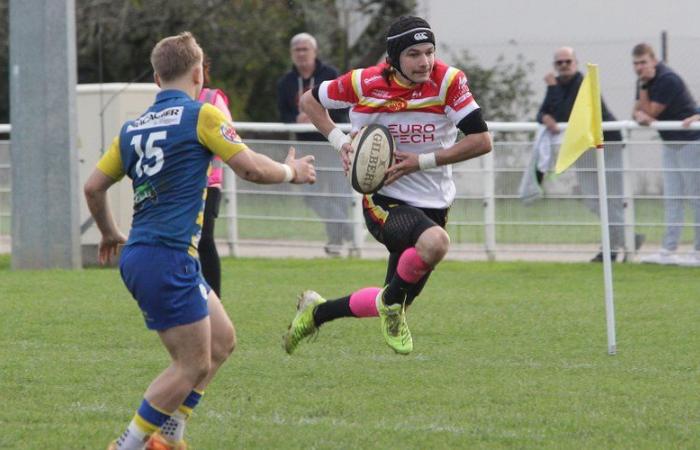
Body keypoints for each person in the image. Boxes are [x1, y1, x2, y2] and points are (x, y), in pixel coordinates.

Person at [84, 32, 315, 450]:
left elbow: (93, 188)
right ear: (198, 73)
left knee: (223, 341)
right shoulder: (202, 114)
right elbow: (250, 169)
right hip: (166, 258)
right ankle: (128, 445)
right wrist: (290, 173)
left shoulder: (131, 130)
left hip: (150, 254)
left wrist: (108, 232)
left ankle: (170, 435)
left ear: (157, 78)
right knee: (190, 364)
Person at [282, 16, 492, 355]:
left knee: (392, 299)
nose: (424, 62)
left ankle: (316, 313)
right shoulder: (363, 82)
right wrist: (341, 143)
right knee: (436, 244)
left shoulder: (448, 82)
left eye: (429, 52)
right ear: (394, 58)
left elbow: (482, 141)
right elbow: (309, 101)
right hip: (382, 198)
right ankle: (387, 309)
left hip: (434, 202)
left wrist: (420, 162)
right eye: (413, 54)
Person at [536, 46, 643, 262]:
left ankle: (611, 250)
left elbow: (566, 112)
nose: (564, 66)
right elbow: (544, 112)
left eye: (568, 61)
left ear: (575, 63)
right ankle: (628, 238)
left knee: (610, 200)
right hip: (583, 147)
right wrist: (544, 118)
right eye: (559, 63)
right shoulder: (556, 86)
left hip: (607, 144)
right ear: (555, 66)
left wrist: (552, 92)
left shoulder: (581, 83)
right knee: (592, 199)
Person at [277, 32, 352, 256]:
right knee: (312, 195)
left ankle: (336, 241)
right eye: (297, 50)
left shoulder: (329, 75)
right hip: (306, 147)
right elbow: (283, 115)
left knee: (340, 193)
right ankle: (348, 229)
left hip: (332, 143)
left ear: (314, 52)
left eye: (305, 49)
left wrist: (319, 116)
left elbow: (343, 108)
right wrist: (297, 119)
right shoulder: (286, 82)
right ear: (292, 54)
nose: (301, 54)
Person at [632, 43, 700, 265]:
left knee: (696, 198)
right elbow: (637, 112)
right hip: (670, 143)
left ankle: (698, 251)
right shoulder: (644, 81)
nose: (639, 67)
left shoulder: (667, 79)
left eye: (643, 62)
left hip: (690, 141)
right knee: (672, 198)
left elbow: (650, 112)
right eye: (636, 63)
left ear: (654, 60)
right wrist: (645, 111)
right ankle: (668, 251)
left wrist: (648, 116)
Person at [197, 56, 229, 298]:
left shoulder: (212, 98)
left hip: (209, 183)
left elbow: (229, 137)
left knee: (204, 240)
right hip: (180, 185)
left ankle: (214, 301)